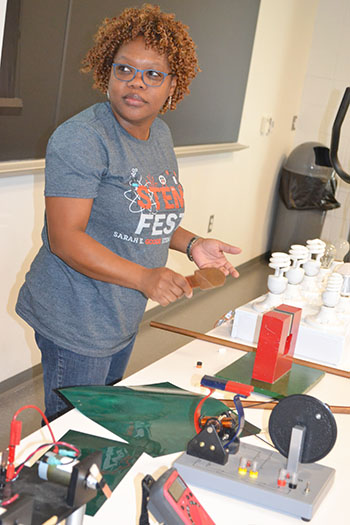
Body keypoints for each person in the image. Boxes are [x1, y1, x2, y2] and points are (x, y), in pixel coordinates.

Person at [16, 4, 241, 420]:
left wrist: (191, 244)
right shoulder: (82, 138)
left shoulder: (160, 134)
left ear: (174, 85)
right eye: (124, 70)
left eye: (153, 74)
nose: (136, 83)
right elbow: (66, 240)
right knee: (76, 435)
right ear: (107, 73)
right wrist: (145, 278)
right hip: (77, 317)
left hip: (121, 310)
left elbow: (145, 211)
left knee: (104, 421)